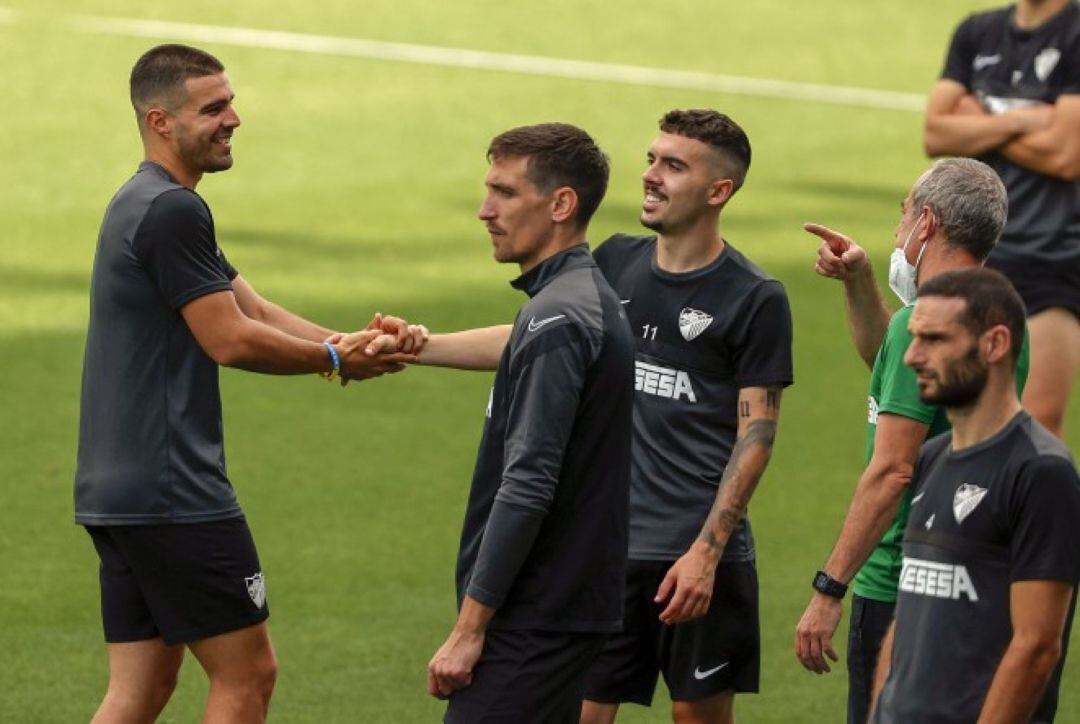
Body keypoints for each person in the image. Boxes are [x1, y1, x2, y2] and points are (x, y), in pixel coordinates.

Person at [75, 44, 414, 724]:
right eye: (213, 108)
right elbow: (229, 339)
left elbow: (250, 307)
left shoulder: (143, 201)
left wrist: (345, 341)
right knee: (248, 676)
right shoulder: (174, 211)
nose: (234, 119)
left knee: (139, 691)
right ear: (160, 121)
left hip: (117, 491)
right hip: (176, 492)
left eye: (230, 102)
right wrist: (335, 361)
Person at [419, 109, 793, 724]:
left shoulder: (753, 297)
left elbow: (757, 433)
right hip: (611, 550)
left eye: (673, 165)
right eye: (651, 159)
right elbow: (532, 336)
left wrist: (707, 550)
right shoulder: (617, 262)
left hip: (693, 557)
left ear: (718, 190)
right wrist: (419, 346)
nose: (650, 175)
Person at [794, 158, 1029, 724]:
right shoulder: (994, 318)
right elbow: (895, 367)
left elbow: (893, 470)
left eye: (903, 214)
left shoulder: (917, 325)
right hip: (972, 575)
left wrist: (829, 588)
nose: (898, 229)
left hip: (898, 581)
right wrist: (859, 282)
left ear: (927, 224)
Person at [423, 123, 635, 724]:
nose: (484, 210)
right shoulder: (573, 302)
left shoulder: (559, 320)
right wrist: (412, 346)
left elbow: (527, 483)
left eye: (505, 193)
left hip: (535, 613)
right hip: (557, 609)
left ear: (561, 204)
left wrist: (470, 627)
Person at [870, 268, 1080, 724]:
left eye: (935, 339)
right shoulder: (930, 458)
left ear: (995, 344)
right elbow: (907, 615)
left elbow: (1037, 646)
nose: (912, 357)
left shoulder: (1042, 472)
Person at [924, 0, 1080, 439]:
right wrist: (1023, 120)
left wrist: (980, 120)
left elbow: (1067, 155)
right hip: (975, 251)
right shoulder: (977, 31)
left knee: (1037, 421)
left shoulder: (1074, 33)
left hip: (1052, 256)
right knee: (959, 412)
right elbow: (935, 132)